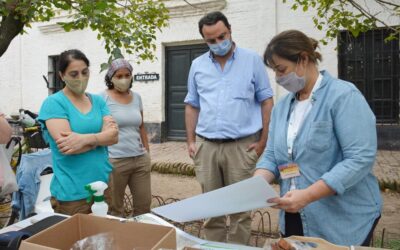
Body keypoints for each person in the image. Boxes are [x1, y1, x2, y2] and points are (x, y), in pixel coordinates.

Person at [254, 30, 382, 246]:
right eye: (275, 72)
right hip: (294, 212)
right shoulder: (282, 107)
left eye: (282, 70)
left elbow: (360, 158)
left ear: (303, 59)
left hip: (340, 218)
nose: (278, 78)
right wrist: (257, 182)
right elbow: (273, 155)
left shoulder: (343, 96)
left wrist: (309, 195)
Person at [184, 11, 274, 245]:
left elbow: (266, 100)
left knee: (240, 211)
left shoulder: (252, 60)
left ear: (230, 30)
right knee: (210, 209)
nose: (218, 43)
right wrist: (191, 141)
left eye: (221, 37)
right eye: (211, 41)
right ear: (204, 40)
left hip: (242, 146)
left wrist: (264, 141)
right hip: (207, 146)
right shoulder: (197, 65)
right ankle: (213, 248)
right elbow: (192, 105)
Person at [38, 49, 118, 215]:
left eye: (84, 72)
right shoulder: (54, 103)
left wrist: (84, 139)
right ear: (62, 75)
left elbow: (114, 136)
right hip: (72, 192)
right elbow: (68, 147)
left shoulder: (98, 101)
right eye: (73, 74)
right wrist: (100, 138)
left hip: (103, 185)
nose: (80, 78)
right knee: (77, 240)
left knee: (104, 238)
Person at [100, 58, 151, 217]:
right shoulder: (102, 98)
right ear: (110, 77)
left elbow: (141, 125)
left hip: (139, 159)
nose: (123, 79)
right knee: (115, 209)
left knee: (144, 207)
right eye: (119, 76)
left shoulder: (137, 98)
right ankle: (119, 239)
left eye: (127, 75)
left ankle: (141, 238)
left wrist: (147, 151)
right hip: (115, 161)